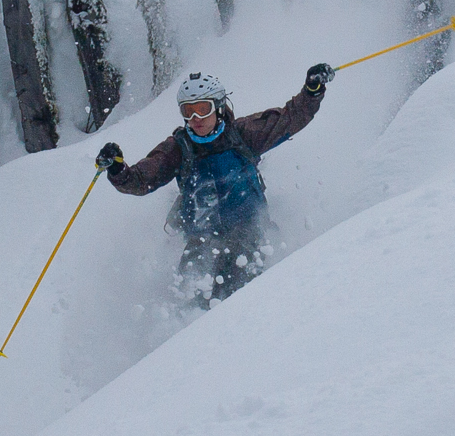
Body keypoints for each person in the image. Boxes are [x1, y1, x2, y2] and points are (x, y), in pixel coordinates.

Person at [94, 64, 336, 307]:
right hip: (202, 236)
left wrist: (312, 91)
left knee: (240, 280)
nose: (196, 119)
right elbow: (142, 180)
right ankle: (187, 323)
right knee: (191, 287)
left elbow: (290, 119)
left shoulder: (242, 134)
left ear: (218, 107)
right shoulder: (179, 148)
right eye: (188, 111)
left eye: (203, 109)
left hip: (248, 227)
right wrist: (118, 170)